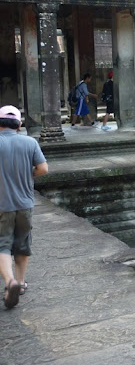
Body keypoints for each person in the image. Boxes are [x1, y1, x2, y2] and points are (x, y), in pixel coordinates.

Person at [0, 105, 48, 309]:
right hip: (25, 203)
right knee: (22, 243)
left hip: (2, 204)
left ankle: (9, 281)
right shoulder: (30, 142)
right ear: (19, 124)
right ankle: (19, 283)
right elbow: (43, 169)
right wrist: (28, 176)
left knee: (2, 244)